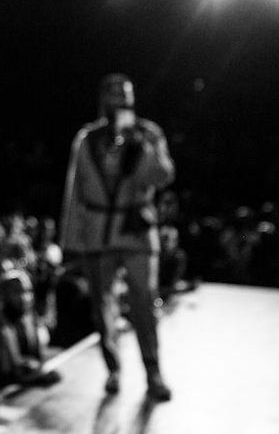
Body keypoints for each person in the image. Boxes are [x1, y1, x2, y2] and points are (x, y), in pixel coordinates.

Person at [59, 73, 175, 401]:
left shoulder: (149, 133)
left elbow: (164, 175)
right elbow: (75, 191)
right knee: (102, 307)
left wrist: (143, 151)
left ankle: (153, 372)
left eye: (124, 95)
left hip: (137, 229)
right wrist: (71, 241)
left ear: (132, 98)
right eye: (112, 95)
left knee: (144, 303)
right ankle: (113, 368)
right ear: (102, 99)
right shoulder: (87, 138)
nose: (119, 101)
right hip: (98, 231)